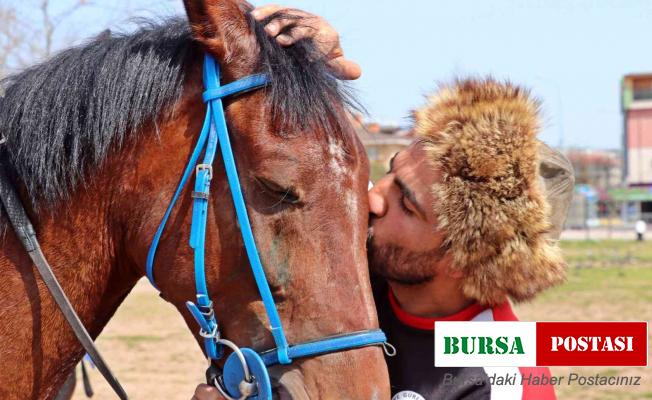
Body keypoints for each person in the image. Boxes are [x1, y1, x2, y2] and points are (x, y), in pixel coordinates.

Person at [194, 5, 575, 400]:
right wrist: (304, 67)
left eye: (406, 204)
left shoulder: (503, 381)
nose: (373, 197)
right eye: (392, 173)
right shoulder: (357, 276)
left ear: (467, 259)